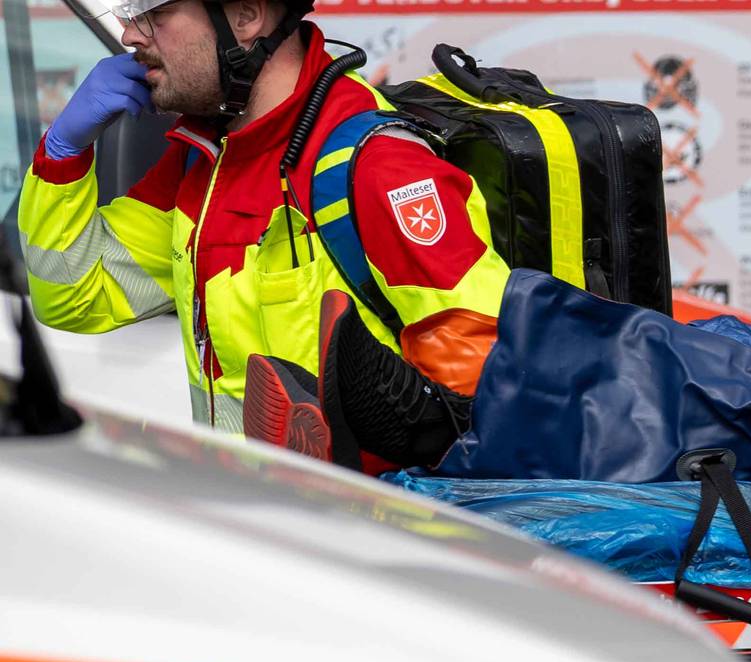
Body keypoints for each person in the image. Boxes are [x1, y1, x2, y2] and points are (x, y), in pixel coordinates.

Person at [19, 0, 507, 439]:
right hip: (246, 516)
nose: (130, 35)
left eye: (153, 15)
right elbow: (75, 296)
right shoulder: (203, 161)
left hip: (353, 529)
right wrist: (64, 152)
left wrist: (375, 478)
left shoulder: (378, 166)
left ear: (247, 17)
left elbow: (488, 386)